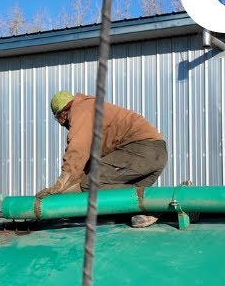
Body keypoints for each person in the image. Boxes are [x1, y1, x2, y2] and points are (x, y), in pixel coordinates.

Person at [37, 91, 169, 227]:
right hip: (155, 154)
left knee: (90, 183)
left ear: (62, 114)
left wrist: (61, 184)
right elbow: (86, 164)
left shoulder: (80, 110)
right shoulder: (91, 110)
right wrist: (65, 191)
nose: (61, 124)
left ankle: (158, 203)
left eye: (58, 119)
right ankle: (161, 207)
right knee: (128, 201)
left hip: (142, 149)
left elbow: (77, 150)